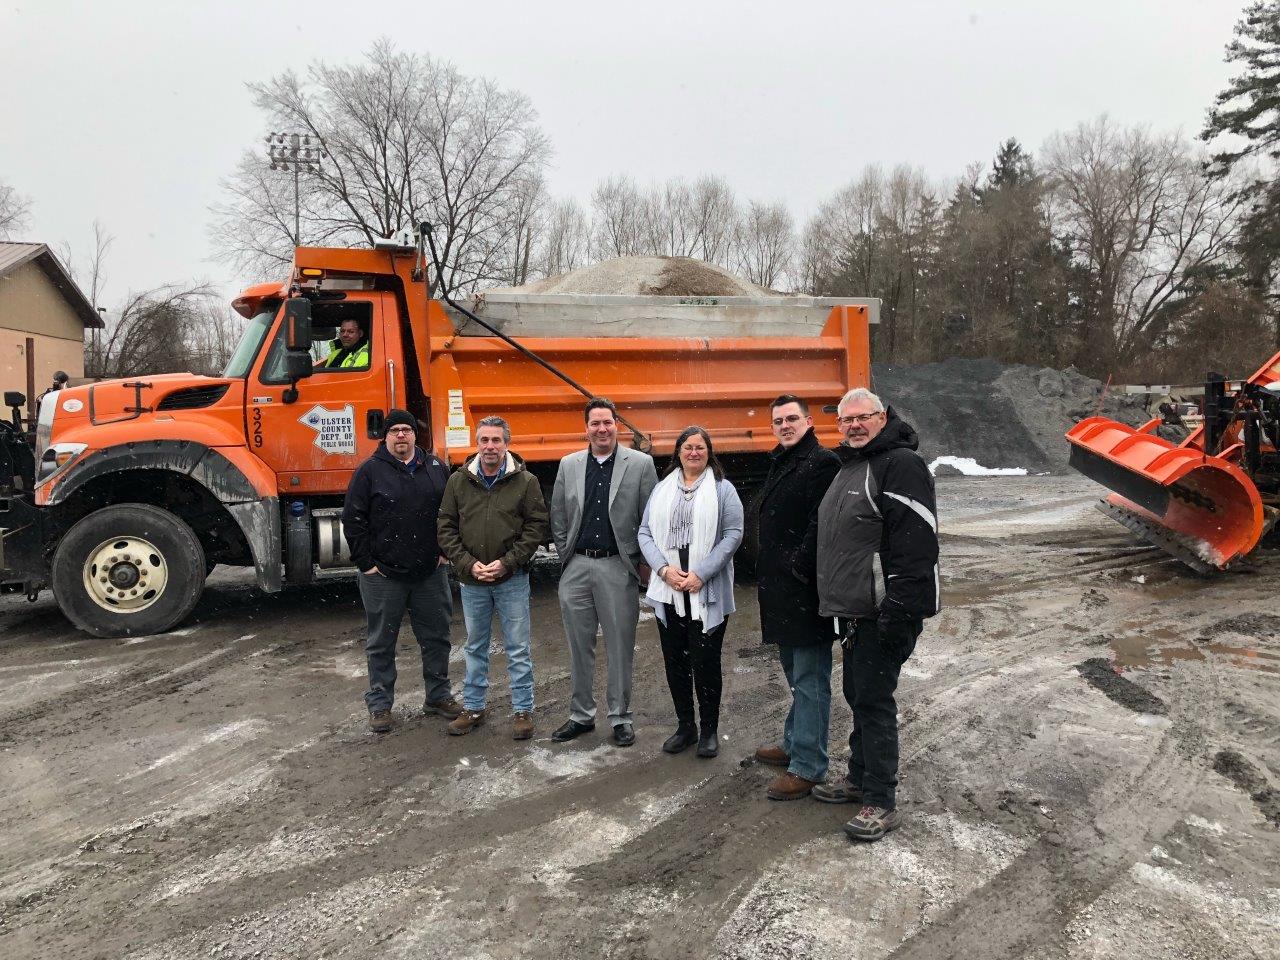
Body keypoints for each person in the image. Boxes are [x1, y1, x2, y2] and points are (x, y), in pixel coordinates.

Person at [813, 387, 940, 841]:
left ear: (883, 417)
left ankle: (880, 799)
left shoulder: (901, 465)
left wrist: (899, 609)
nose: (853, 426)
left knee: (874, 700)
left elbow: (916, 545)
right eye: (846, 420)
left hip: (884, 610)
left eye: (862, 417)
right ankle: (859, 778)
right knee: (858, 693)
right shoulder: (853, 465)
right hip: (855, 611)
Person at [550, 397, 658, 747]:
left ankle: (620, 717)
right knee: (578, 647)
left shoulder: (640, 465)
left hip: (616, 565)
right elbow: (559, 516)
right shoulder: (569, 464)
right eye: (595, 423)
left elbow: (649, 517)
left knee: (620, 646)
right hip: (577, 566)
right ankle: (581, 715)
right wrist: (567, 556)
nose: (601, 429)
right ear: (586, 428)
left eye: (607, 422)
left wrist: (639, 563)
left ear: (617, 425)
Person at [342, 409, 459, 733]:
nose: (401, 436)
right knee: (381, 641)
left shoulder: (435, 467)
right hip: (384, 577)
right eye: (395, 431)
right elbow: (352, 519)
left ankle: (437, 696)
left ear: (415, 434)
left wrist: (444, 552)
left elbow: (452, 512)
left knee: (437, 637)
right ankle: (380, 705)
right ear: (387, 436)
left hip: (429, 574)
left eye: (407, 429)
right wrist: (366, 563)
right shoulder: (369, 471)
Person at [751, 395, 841, 800]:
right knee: (795, 673)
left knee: (810, 680)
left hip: (806, 593)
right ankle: (794, 741)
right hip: (783, 592)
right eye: (778, 420)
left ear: (808, 421)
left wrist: (798, 569)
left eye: (792, 418)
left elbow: (821, 524)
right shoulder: (784, 460)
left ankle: (808, 765)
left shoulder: (822, 463)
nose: (785, 425)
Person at [437, 416, 549, 741]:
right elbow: (445, 526)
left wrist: (507, 563)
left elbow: (536, 527)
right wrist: (469, 565)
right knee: (475, 646)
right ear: (477, 443)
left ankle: (523, 710)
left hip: (511, 579)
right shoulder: (458, 481)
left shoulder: (525, 482)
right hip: (472, 582)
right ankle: (473, 707)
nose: (490, 446)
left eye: (496, 440)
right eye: (484, 440)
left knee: (517, 648)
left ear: (506, 444)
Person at [638, 426, 743, 758]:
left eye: (700, 447)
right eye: (688, 447)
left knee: (705, 661)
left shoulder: (723, 490)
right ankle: (686, 726)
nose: (694, 452)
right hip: (669, 589)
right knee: (675, 662)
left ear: (709, 452)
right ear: (678, 453)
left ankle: (709, 730)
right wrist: (664, 570)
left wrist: (701, 573)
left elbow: (733, 534)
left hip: (706, 588)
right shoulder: (661, 489)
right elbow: (644, 533)